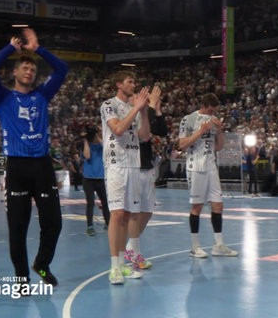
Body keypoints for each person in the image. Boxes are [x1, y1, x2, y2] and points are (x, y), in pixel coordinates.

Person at [0, 28, 68, 286]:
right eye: (25, 68)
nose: (30, 71)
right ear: (15, 72)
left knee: (53, 224)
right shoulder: (3, 97)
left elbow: (62, 69)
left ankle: (41, 264)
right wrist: (11, 48)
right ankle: (21, 278)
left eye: (33, 69)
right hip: (18, 168)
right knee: (17, 229)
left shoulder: (42, 95)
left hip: (42, 166)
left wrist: (37, 49)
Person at [101, 70, 150, 285]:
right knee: (118, 214)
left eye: (135, 81)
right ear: (119, 84)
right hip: (115, 164)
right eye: (130, 81)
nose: (134, 84)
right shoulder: (108, 105)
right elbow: (119, 129)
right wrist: (136, 109)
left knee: (128, 213)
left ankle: (122, 264)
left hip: (133, 163)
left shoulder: (135, 108)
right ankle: (113, 267)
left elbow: (145, 136)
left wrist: (145, 112)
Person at [178, 93, 239, 258]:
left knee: (218, 205)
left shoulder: (214, 120)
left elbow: (218, 147)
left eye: (214, 111)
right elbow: (182, 144)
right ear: (203, 106)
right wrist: (200, 131)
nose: (212, 114)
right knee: (197, 207)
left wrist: (219, 131)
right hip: (195, 166)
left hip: (211, 166)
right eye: (210, 110)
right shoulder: (188, 119)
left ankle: (218, 245)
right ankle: (195, 246)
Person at [125, 85, 168, 270]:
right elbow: (143, 134)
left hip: (147, 165)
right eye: (135, 97)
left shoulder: (145, 112)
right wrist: (149, 105)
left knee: (147, 211)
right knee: (134, 212)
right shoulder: (128, 113)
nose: (137, 99)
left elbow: (161, 131)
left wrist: (156, 109)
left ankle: (130, 246)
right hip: (132, 165)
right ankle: (134, 251)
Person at [81, 126, 110, 236]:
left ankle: (108, 223)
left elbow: (106, 146)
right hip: (88, 179)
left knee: (105, 202)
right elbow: (87, 156)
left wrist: (97, 136)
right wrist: (86, 140)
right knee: (90, 203)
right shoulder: (84, 145)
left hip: (100, 178)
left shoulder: (100, 145)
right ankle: (90, 226)